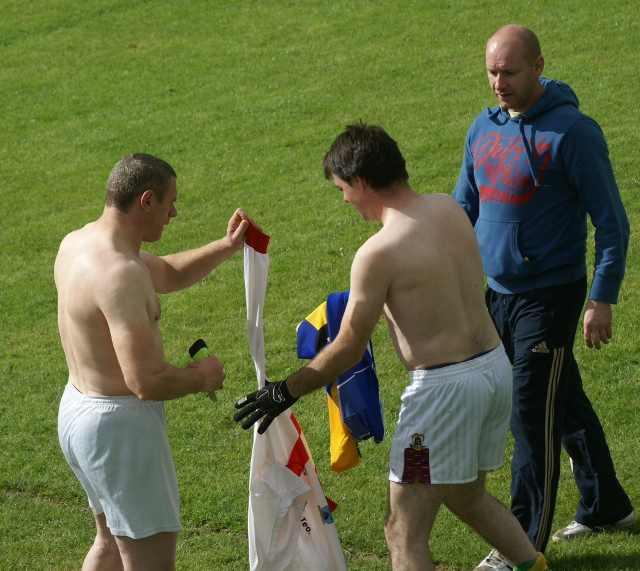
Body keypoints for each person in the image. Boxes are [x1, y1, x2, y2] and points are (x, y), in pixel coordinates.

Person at [234, 122, 550, 571]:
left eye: (343, 188)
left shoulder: (377, 253)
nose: (344, 199)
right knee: (467, 494)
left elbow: (348, 348)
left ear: (361, 181)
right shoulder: (448, 208)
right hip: (494, 372)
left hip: (441, 399)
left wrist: (284, 391)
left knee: (402, 531)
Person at [452, 24, 634, 570]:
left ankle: (519, 547)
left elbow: (612, 222)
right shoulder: (482, 127)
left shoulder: (573, 133)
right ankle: (606, 505)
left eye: (509, 72)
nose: (498, 83)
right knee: (562, 396)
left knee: (530, 415)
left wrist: (601, 297)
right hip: (497, 294)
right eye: (491, 72)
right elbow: (463, 208)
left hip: (550, 295)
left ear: (537, 66)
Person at [54, 153, 250, 571]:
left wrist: (227, 246)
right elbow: (144, 380)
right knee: (150, 563)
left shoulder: (79, 243)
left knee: (109, 545)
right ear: (147, 200)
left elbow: (168, 273)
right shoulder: (119, 273)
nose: (174, 213)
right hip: (119, 431)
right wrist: (202, 377)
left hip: (78, 412)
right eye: (170, 202)